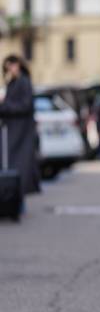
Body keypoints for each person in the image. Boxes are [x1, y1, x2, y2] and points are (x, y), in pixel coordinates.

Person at [0, 54, 41, 213]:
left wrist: (4, 106)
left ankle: (17, 204)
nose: (10, 69)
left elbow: (25, 105)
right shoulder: (14, 82)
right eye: (8, 66)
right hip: (13, 131)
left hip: (21, 132)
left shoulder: (23, 82)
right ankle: (13, 203)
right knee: (12, 166)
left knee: (18, 167)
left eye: (12, 65)